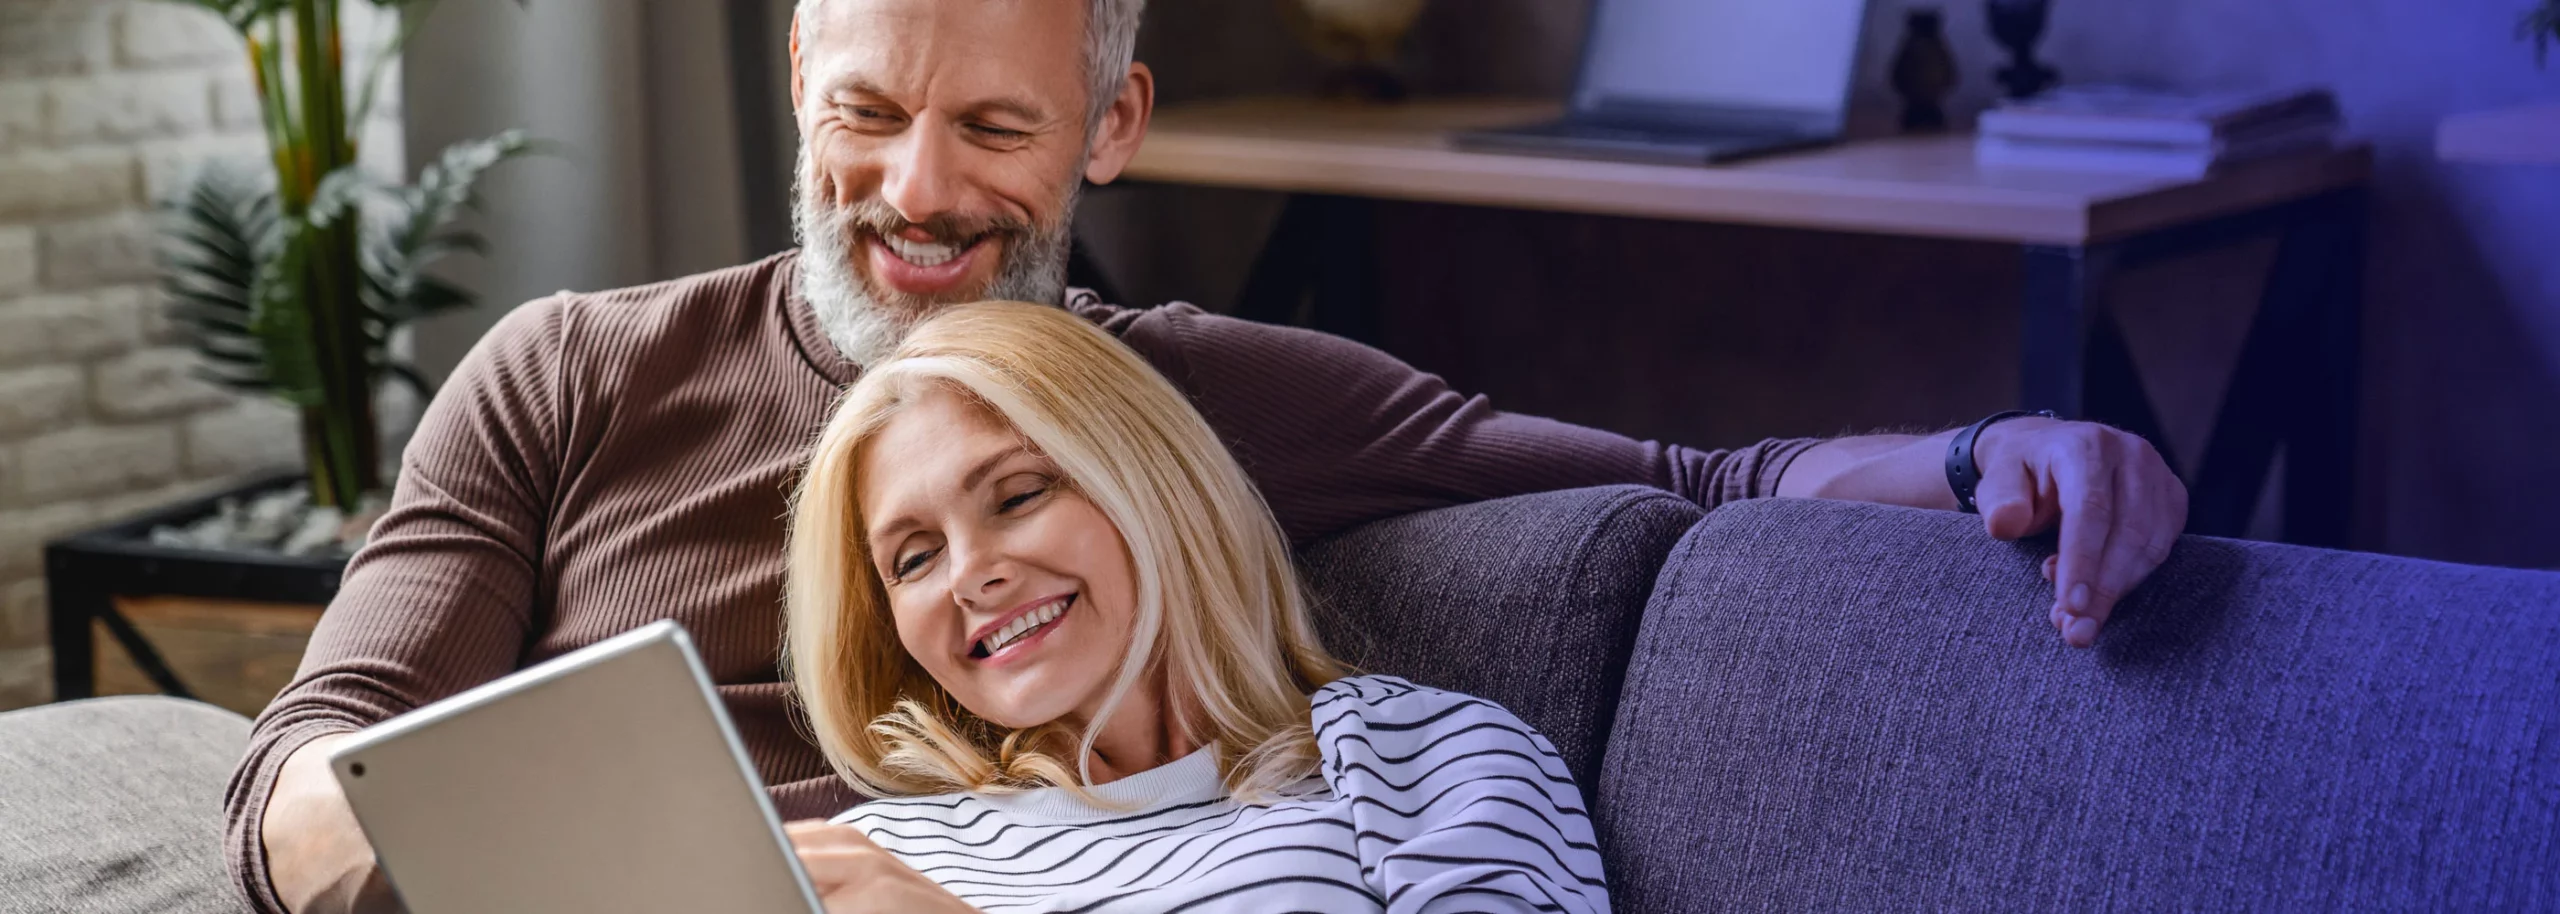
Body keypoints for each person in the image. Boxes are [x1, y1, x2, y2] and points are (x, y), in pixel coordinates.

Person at [229, 0, 2187, 911]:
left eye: (992, 129)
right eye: (867, 111)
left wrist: (1985, 448)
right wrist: (473, 849)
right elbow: (302, 779)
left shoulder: (1185, 408)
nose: (917, 193)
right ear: (799, 92)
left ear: (1107, 126)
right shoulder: (566, 372)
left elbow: (1692, 475)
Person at [779, 301, 1605, 913]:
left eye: (1019, 494)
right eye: (913, 558)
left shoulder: (1417, 764)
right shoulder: (886, 854)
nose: (968, 575)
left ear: (1157, 484)